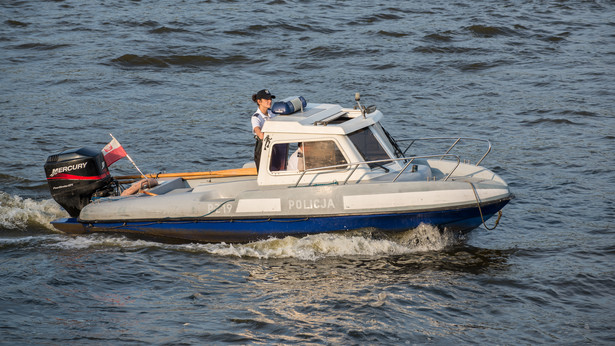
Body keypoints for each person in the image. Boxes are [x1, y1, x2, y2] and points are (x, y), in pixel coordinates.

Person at [251, 89, 276, 171]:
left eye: (270, 99)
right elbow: (259, 132)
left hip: (274, 145)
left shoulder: (272, 113)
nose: (269, 101)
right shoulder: (256, 117)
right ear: (259, 101)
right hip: (262, 147)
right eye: (266, 99)